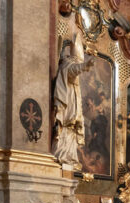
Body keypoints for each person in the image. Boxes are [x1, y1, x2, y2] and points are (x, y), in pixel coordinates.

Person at [52, 33, 93, 169]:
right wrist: (84, 66)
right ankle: (62, 154)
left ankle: (69, 156)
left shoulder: (72, 66)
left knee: (72, 129)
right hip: (67, 103)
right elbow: (72, 71)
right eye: (78, 61)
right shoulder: (68, 64)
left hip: (73, 104)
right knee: (66, 126)